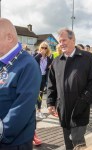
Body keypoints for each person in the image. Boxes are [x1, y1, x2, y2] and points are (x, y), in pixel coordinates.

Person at [47, 28, 92, 150]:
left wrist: (84, 100)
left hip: (80, 108)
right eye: (60, 41)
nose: (61, 43)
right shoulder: (56, 61)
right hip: (63, 109)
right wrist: (50, 102)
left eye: (64, 40)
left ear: (73, 40)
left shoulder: (87, 57)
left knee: (77, 141)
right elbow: (51, 84)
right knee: (68, 142)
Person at [0, 18, 41, 149]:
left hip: (14, 143)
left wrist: (2, 131)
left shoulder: (28, 65)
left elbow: (22, 108)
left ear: (9, 37)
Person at [34, 41, 53, 119]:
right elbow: (32, 61)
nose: (44, 49)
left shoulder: (48, 58)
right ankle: (35, 111)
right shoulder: (36, 56)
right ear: (40, 48)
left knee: (40, 94)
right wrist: (39, 54)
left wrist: (50, 67)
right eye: (42, 47)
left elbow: (51, 66)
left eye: (45, 48)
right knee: (35, 94)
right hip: (35, 78)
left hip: (43, 78)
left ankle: (38, 111)